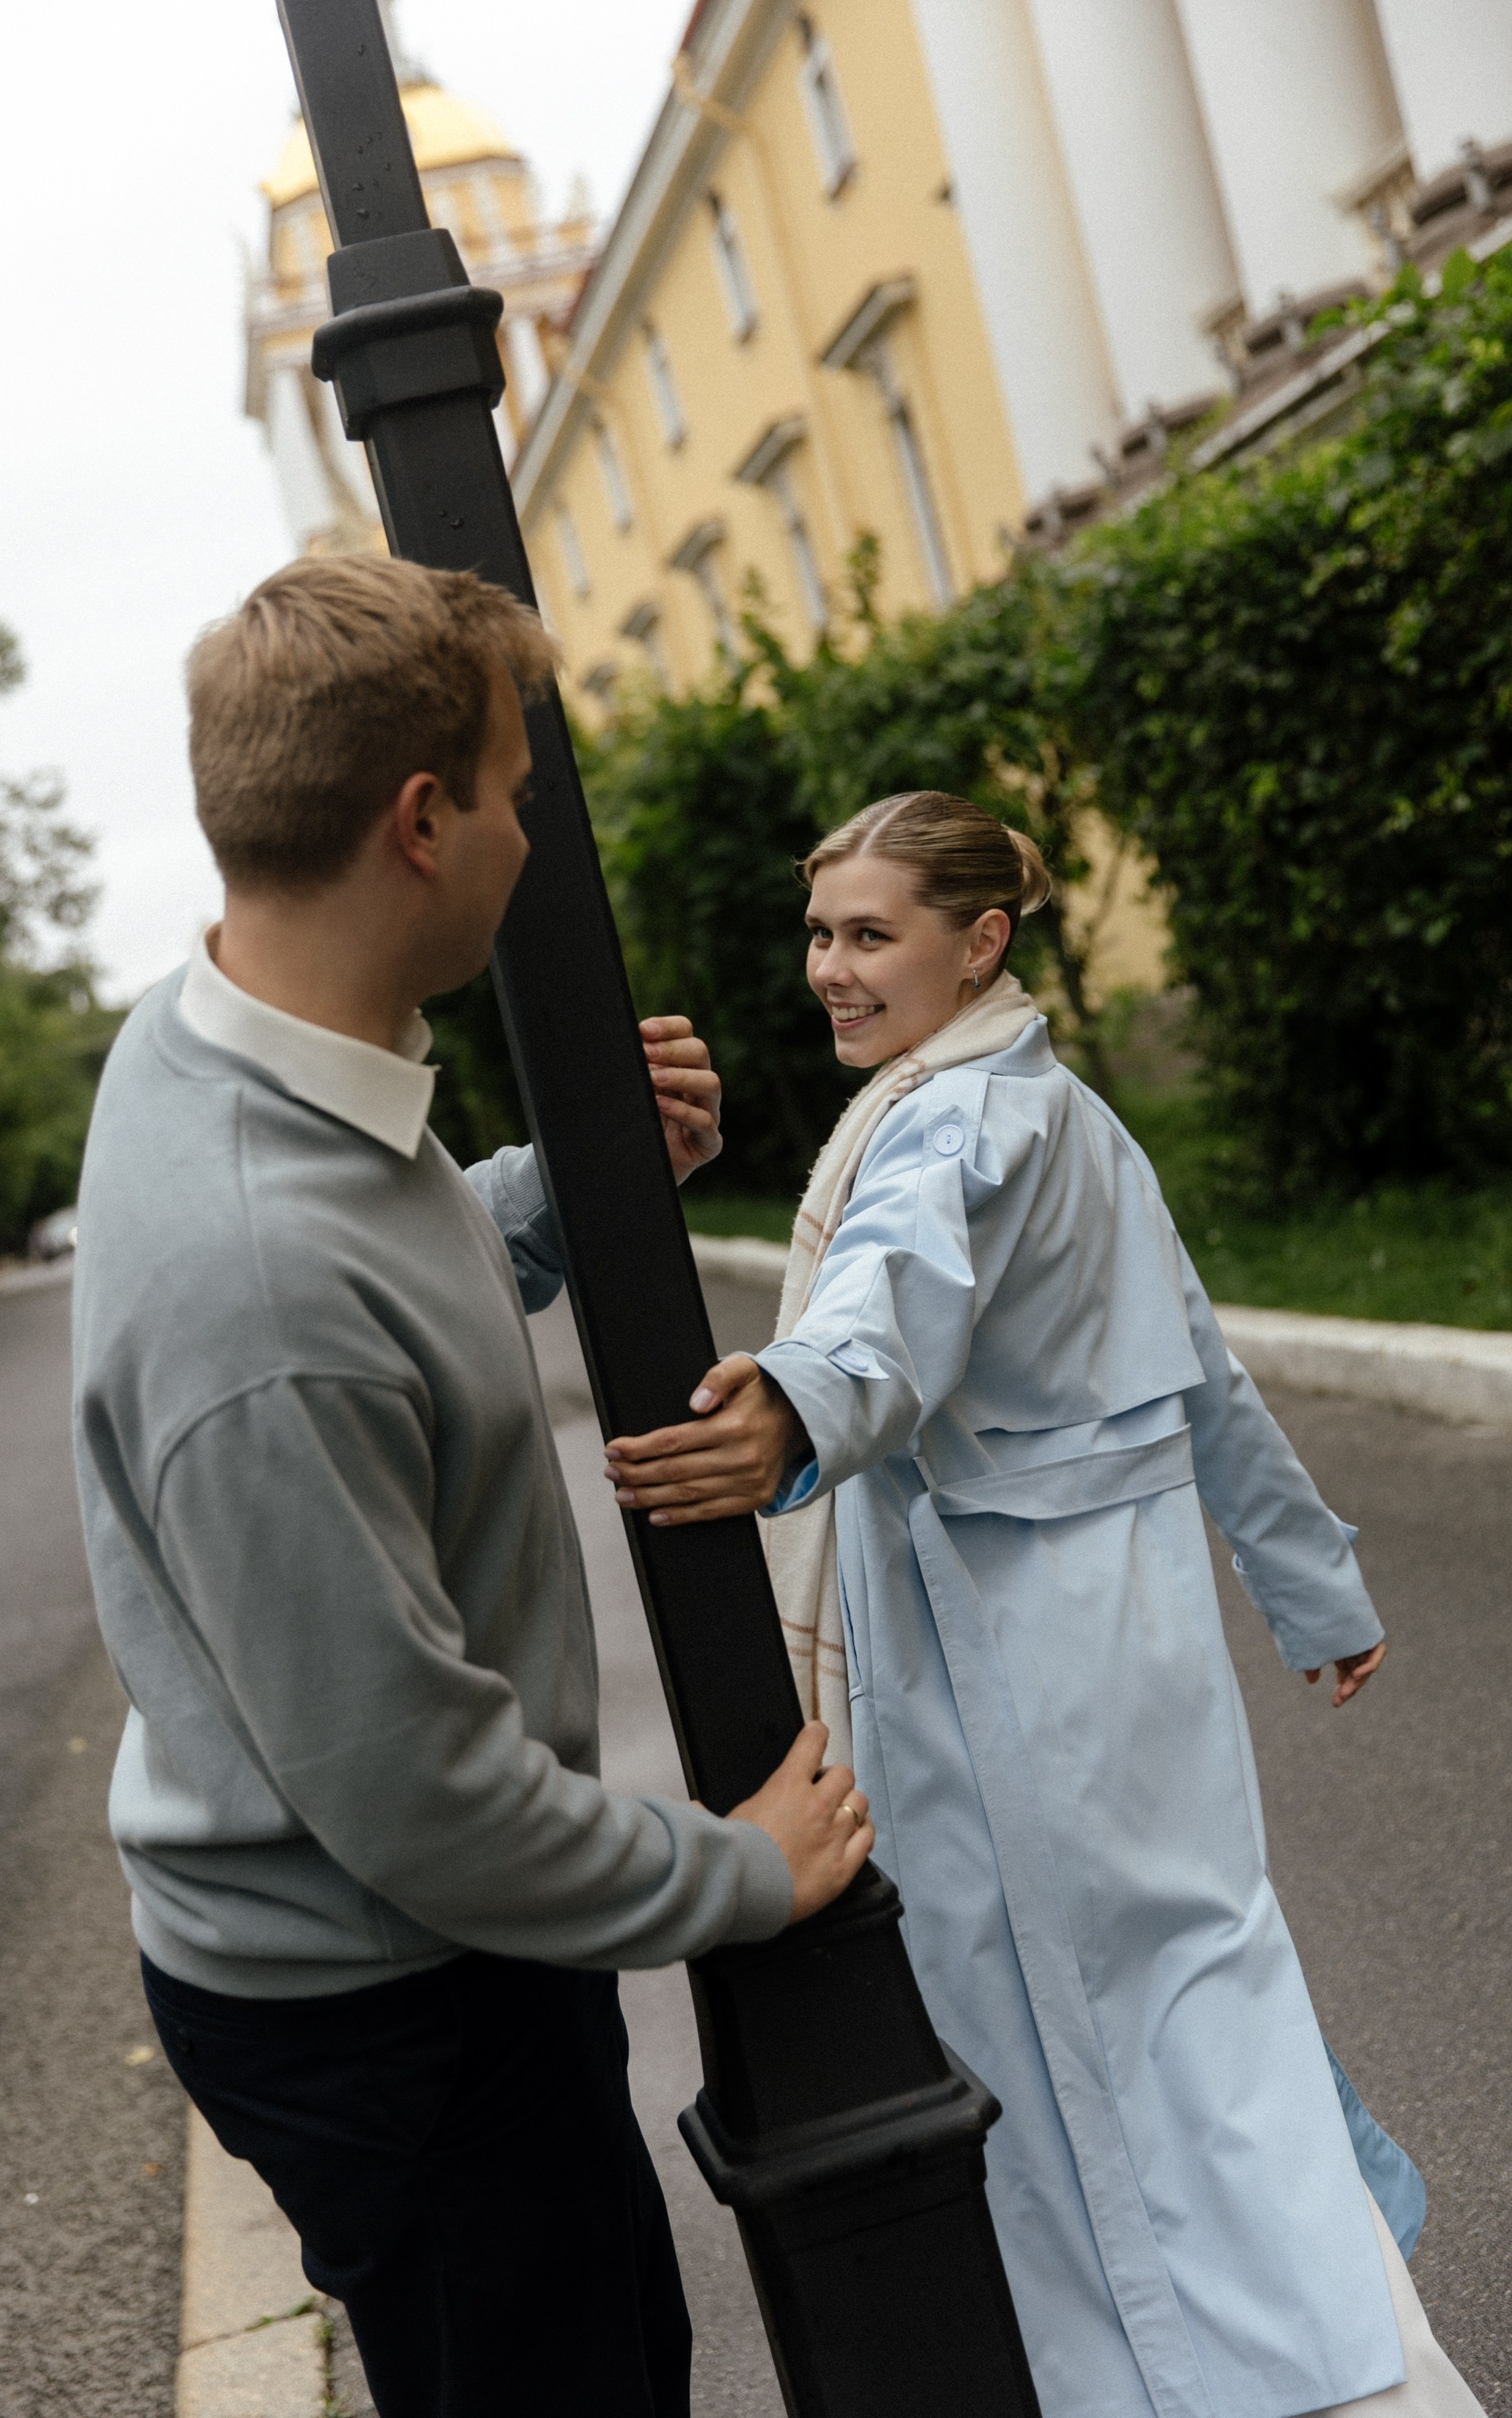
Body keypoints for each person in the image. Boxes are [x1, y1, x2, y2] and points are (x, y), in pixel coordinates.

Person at [70, 556, 874, 2418]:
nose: (532, 833)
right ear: (420, 824)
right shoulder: (256, 1284)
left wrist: (565, 1187)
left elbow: (387, 1281)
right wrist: (733, 1875)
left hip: (415, 1954)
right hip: (389, 1996)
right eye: (517, 793)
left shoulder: (231, 1042)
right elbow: (419, 1800)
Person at [604, 789, 1482, 2418]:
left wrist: (793, 1407)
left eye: (871, 935)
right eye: (821, 934)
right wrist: (1314, 1589)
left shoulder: (956, 1125)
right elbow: (1201, 1371)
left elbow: (891, 1289)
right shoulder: (1057, 1103)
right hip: (1125, 1648)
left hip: (1014, 1662)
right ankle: (1353, 2352)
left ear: (978, 940)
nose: (831, 971)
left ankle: (1276, 2381)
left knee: (1064, 2031)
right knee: (1196, 1981)